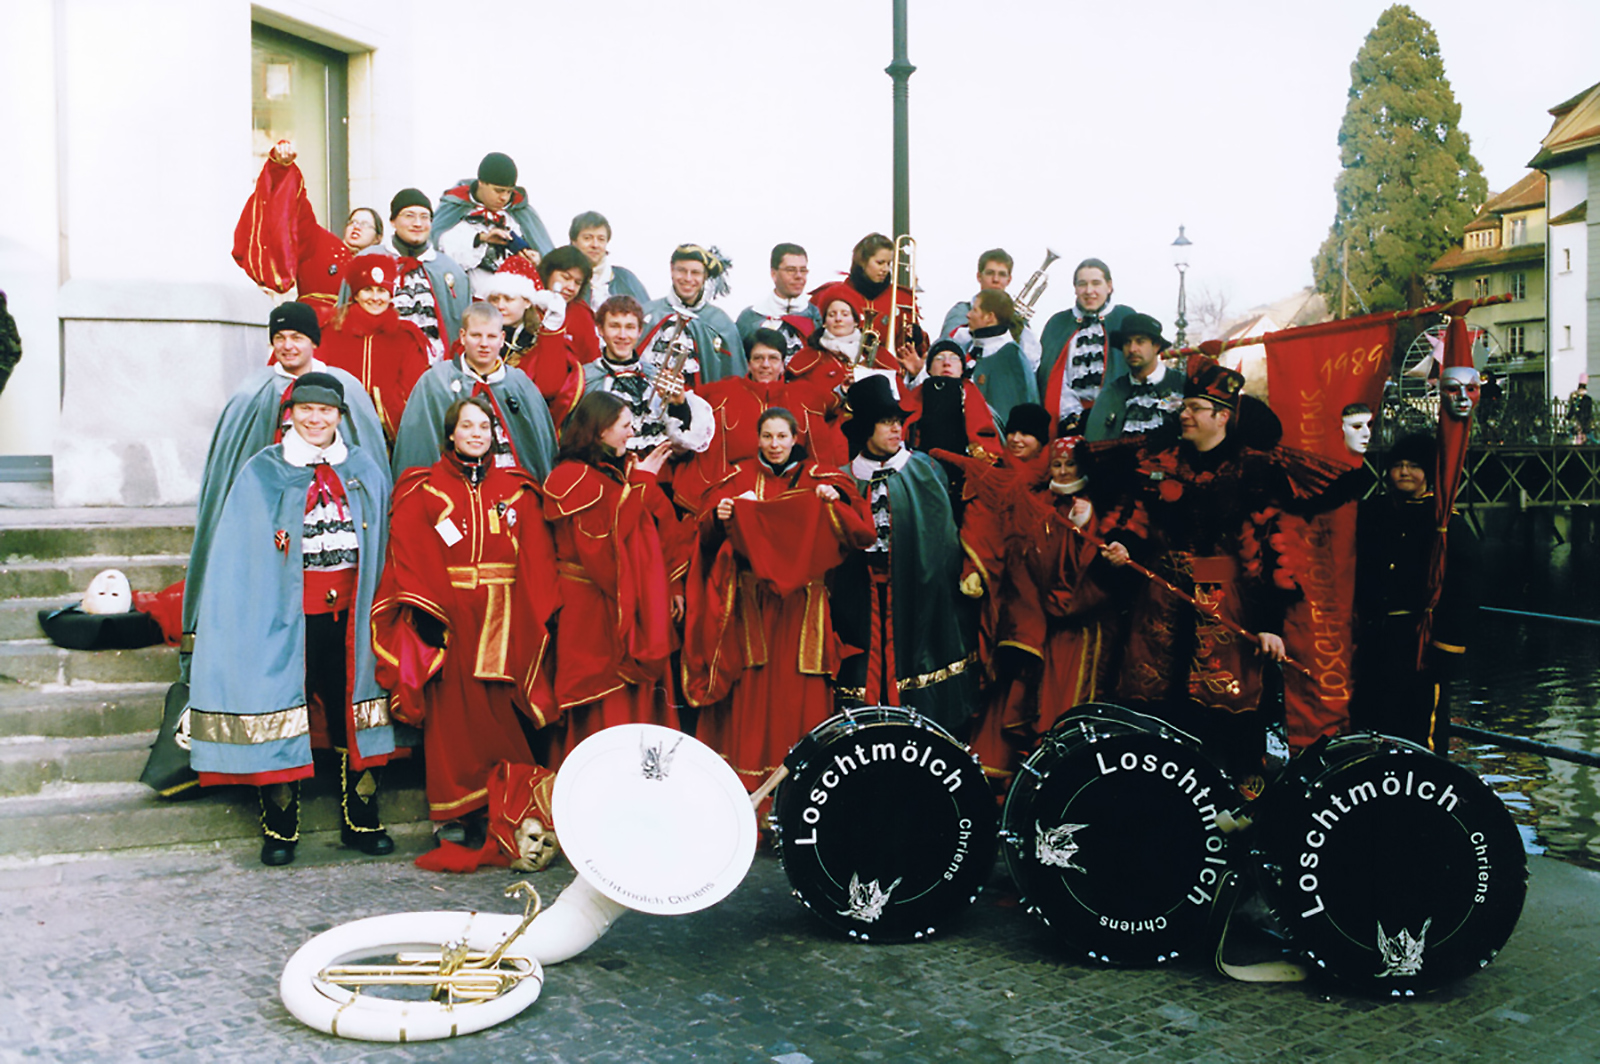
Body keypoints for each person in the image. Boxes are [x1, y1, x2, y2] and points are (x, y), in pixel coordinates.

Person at [186, 372, 396, 866]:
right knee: (280, 706)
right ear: (291, 414)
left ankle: (362, 818)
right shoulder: (263, 470)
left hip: (351, 613)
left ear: (339, 417)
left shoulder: (363, 467)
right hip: (285, 615)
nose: (316, 419)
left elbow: (383, 539)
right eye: (306, 410)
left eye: (325, 412)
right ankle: (280, 828)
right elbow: (241, 552)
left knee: (355, 710)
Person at [1099, 358, 1295, 791]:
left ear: (1221, 416)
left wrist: (1269, 626)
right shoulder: (1159, 462)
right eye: (1183, 406)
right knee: (1155, 716)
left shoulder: (1255, 471)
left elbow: (1273, 549)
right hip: (1159, 611)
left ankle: (1238, 820)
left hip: (1228, 613)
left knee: (1230, 718)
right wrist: (1121, 546)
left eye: (1194, 407)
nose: (1182, 414)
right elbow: (1135, 520)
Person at [372, 395, 561, 844]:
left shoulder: (517, 488)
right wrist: (432, 611)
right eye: (467, 426)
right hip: (450, 617)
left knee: (500, 711)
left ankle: (498, 802)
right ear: (451, 433)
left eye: (484, 426)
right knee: (451, 718)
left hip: (506, 615)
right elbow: (412, 549)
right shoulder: (423, 488)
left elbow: (536, 555)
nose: (476, 433)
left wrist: (535, 614)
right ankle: (451, 813)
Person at [683, 408, 876, 789]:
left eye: (782, 437)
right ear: (757, 438)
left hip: (805, 609)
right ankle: (753, 794)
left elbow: (860, 532)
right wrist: (719, 516)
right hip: (754, 606)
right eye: (767, 437)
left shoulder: (822, 478)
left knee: (798, 693)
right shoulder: (736, 478)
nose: (774, 445)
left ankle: (800, 796)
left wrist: (834, 500)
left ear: (795, 438)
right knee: (755, 692)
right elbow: (704, 540)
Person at [182, 302, 384, 664]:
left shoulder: (347, 389)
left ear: (313, 342)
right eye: (280, 338)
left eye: (297, 337)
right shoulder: (251, 393)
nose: (288, 346)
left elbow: (366, 464)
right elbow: (232, 471)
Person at [832, 376, 978, 735]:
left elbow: (940, 540)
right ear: (867, 427)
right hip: (862, 596)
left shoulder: (924, 470)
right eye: (886, 421)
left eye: (899, 420)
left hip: (917, 590)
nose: (897, 428)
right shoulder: (843, 480)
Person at [542, 392, 681, 764]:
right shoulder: (571, 477)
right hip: (589, 611)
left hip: (618, 605)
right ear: (600, 429)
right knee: (600, 702)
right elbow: (603, 551)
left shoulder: (616, 473)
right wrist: (643, 484)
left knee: (630, 703)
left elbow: (655, 529)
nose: (631, 433)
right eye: (624, 425)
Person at [1352, 433, 1474, 752]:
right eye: (1398, 465)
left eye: (1414, 466)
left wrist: (1447, 650)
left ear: (1429, 472)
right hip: (1375, 637)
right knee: (1372, 719)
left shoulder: (1445, 522)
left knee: (1420, 725)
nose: (1404, 472)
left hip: (1420, 640)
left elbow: (1462, 591)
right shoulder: (1373, 512)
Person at [679, 328, 846, 515]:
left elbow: (823, 448)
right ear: (748, 363)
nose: (765, 365)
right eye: (758, 358)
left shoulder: (806, 397)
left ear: (783, 363)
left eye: (773, 358)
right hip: (733, 498)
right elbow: (686, 407)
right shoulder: (722, 394)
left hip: (793, 497)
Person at [390, 303, 558, 479]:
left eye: (491, 336)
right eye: (476, 335)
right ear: (463, 336)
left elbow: (540, 451)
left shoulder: (520, 385)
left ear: (502, 339)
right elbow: (418, 449)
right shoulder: (435, 382)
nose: (484, 344)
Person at [232, 141, 384, 313]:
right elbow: (294, 210)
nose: (357, 227)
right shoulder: (321, 241)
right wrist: (281, 168)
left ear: (378, 237)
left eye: (365, 224)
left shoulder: (385, 266)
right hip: (315, 327)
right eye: (353, 222)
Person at [583, 294, 715, 458]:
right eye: (615, 326)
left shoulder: (655, 375)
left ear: (640, 332)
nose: (623, 335)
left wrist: (679, 406)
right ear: (601, 330)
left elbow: (680, 451)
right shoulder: (584, 378)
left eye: (630, 327)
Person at [317, 256, 433, 441]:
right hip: (336, 432)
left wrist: (381, 403)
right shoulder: (330, 332)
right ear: (355, 294)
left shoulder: (406, 337)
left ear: (390, 295)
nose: (375, 298)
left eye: (381, 291)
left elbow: (415, 394)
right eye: (367, 290)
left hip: (388, 437)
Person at [1037, 258, 1137, 434]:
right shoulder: (1057, 323)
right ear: (1075, 288)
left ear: (1109, 286)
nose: (1089, 291)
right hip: (1068, 421)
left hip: (1119, 419)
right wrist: (1072, 417)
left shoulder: (1125, 318)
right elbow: (1051, 378)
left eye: (1096, 283)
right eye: (1082, 284)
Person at [432, 152, 553, 294]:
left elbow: (544, 251)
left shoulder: (520, 212)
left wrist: (537, 259)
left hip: (513, 301)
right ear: (481, 183)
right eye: (499, 191)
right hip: (466, 296)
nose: (504, 197)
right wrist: (482, 238)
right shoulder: (455, 205)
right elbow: (437, 243)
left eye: (509, 192)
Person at [370, 188, 471, 359]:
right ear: (392, 221)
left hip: (436, 371)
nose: (418, 223)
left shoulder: (451, 270)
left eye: (424, 217)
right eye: (409, 215)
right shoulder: (369, 261)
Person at [820, 233, 925, 382]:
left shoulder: (902, 298)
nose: (885, 269)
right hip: (842, 375)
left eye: (889, 264)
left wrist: (916, 337)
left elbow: (919, 349)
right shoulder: (837, 294)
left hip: (892, 375)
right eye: (880, 262)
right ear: (862, 262)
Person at [641, 244, 745, 381]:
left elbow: (733, 377)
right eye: (681, 271)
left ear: (705, 276)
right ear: (671, 270)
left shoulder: (721, 322)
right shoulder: (648, 312)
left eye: (695, 273)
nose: (688, 278)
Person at [939, 248, 1043, 372]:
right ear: (979, 276)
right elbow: (944, 351)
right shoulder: (961, 311)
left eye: (1002, 274)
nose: (996, 280)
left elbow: (1028, 368)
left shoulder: (1018, 320)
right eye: (990, 273)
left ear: (1008, 280)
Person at [1085, 312, 1183, 441]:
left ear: (1156, 346)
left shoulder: (1182, 383)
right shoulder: (1112, 393)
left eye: (1140, 342)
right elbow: (1094, 439)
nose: (1132, 349)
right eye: (1127, 342)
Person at [787, 282, 899, 395]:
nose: (838, 319)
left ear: (855, 321)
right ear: (824, 323)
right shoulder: (808, 357)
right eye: (832, 315)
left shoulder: (878, 355)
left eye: (845, 314)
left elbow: (899, 394)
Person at [965, 288, 1040, 424]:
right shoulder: (974, 347)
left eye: (974, 310)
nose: (968, 315)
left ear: (989, 317)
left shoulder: (1009, 358)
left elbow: (1006, 415)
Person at [736, 243, 822, 348]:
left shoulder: (817, 317)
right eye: (791, 270)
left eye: (803, 270)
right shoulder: (750, 318)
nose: (799, 276)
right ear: (774, 274)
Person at [569, 210, 649, 308]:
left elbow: (647, 317)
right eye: (587, 238)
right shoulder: (562, 279)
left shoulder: (625, 279)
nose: (595, 245)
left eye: (601, 239)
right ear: (574, 241)